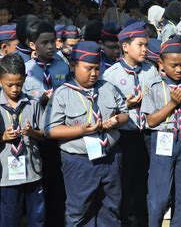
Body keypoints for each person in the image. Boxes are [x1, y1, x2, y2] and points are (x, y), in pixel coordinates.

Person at [45, 41, 129, 226]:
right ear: (74, 66)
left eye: (97, 68)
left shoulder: (107, 88)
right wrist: (81, 130)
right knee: (79, 210)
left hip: (110, 156)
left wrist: (116, 120)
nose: (93, 74)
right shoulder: (63, 93)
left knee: (111, 207)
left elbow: (124, 113)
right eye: (88, 68)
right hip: (80, 161)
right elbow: (50, 130)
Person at [103, 22, 159, 226]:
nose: (145, 49)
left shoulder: (150, 70)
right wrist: (126, 103)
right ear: (125, 47)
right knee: (127, 183)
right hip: (126, 137)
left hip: (149, 133)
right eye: (140, 45)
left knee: (147, 181)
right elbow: (106, 110)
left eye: (146, 45)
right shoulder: (111, 74)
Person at [142, 36, 181, 226]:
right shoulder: (153, 86)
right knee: (159, 193)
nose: (178, 69)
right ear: (161, 62)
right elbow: (151, 121)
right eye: (173, 65)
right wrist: (173, 103)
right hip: (162, 137)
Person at [0, 54, 46, 226]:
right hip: (7, 175)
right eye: (10, 85)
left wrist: (33, 133)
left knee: (36, 216)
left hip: (32, 170)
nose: (15, 89)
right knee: (9, 216)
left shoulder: (33, 104)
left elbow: (45, 135)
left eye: (19, 84)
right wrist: (2, 137)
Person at [23, 21, 69, 106]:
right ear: (32, 45)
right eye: (44, 43)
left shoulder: (64, 68)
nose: (50, 46)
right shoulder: (25, 69)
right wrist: (41, 99)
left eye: (52, 41)